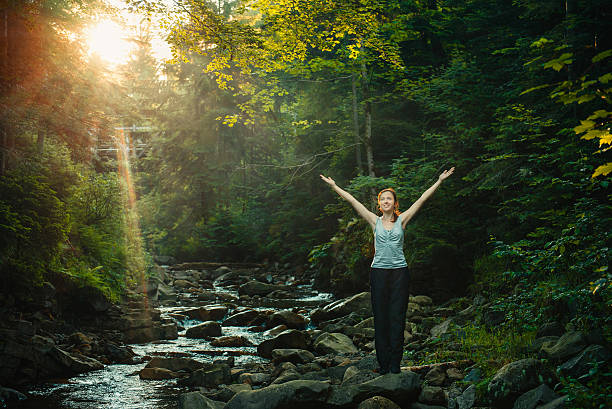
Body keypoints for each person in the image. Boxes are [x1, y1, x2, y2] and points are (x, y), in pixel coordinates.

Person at [320, 167, 455, 374]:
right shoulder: (374, 221)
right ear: (379, 204)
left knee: (397, 318)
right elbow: (353, 201)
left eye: (389, 199)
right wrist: (334, 186)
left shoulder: (403, 220)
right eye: (383, 199)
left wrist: (439, 181)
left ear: (394, 203)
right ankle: (383, 365)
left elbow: (421, 199)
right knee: (381, 318)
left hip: (400, 273)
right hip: (379, 274)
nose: (386, 201)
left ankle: (395, 365)